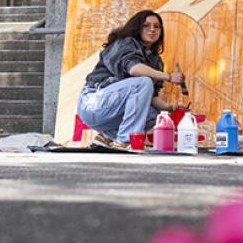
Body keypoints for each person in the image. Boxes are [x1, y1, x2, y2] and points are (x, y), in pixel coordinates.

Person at [77, 10, 186, 150]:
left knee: (154, 115)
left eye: (157, 26)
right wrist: (169, 77)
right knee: (144, 82)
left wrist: (169, 108)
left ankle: (106, 137)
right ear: (137, 28)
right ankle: (125, 141)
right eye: (146, 26)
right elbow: (134, 69)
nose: (152, 29)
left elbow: (149, 96)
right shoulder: (124, 43)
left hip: (109, 112)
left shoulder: (156, 62)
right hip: (92, 104)